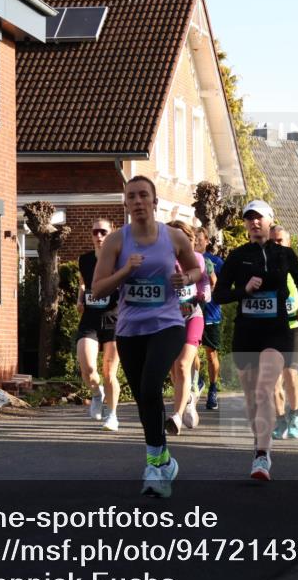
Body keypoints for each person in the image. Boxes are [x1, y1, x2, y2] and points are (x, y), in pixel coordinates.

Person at [92, 176, 201, 498]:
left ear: (154, 202)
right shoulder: (116, 241)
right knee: (143, 397)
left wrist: (185, 278)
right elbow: (98, 288)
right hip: (129, 329)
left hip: (168, 324)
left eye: (143, 195)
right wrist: (125, 271)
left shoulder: (175, 237)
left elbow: (197, 272)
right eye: (131, 196)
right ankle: (163, 459)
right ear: (125, 204)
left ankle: (154, 465)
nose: (138, 201)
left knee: (152, 385)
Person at [213, 203, 298, 479]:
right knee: (251, 394)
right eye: (249, 219)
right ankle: (260, 443)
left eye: (259, 218)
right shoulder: (237, 256)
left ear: (270, 220)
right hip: (246, 332)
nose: (254, 223)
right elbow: (219, 295)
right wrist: (243, 290)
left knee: (265, 387)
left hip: (276, 331)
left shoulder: (284, 254)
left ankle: (262, 455)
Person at [165, 220, 211, 435]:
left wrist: (204, 293)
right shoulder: (161, 262)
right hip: (170, 320)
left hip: (193, 316)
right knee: (175, 371)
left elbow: (204, 284)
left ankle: (176, 415)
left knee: (184, 365)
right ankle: (189, 397)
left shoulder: (198, 259)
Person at [75, 218, 121, 430]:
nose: (99, 236)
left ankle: (112, 415)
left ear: (111, 234)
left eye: (103, 232)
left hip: (114, 318)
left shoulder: (119, 259)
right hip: (90, 319)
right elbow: (83, 282)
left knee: (109, 372)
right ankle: (96, 393)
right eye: (95, 232)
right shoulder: (84, 260)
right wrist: (80, 298)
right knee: (88, 367)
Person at [270, 225, 298, 440]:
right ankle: (280, 418)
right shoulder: (263, 266)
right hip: (272, 327)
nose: (276, 245)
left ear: (288, 243)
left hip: (295, 326)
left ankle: (295, 416)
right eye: (272, 241)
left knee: (290, 374)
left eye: (280, 241)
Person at [195, 226, 224, 408]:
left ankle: (213, 389)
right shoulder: (184, 260)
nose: (196, 241)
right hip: (190, 312)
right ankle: (198, 380)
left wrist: (213, 280)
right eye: (194, 238)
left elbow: (225, 285)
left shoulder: (215, 261)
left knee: (211, 353)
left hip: (211, 313)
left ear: (206, 240)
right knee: (190, 352)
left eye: (200, 238)